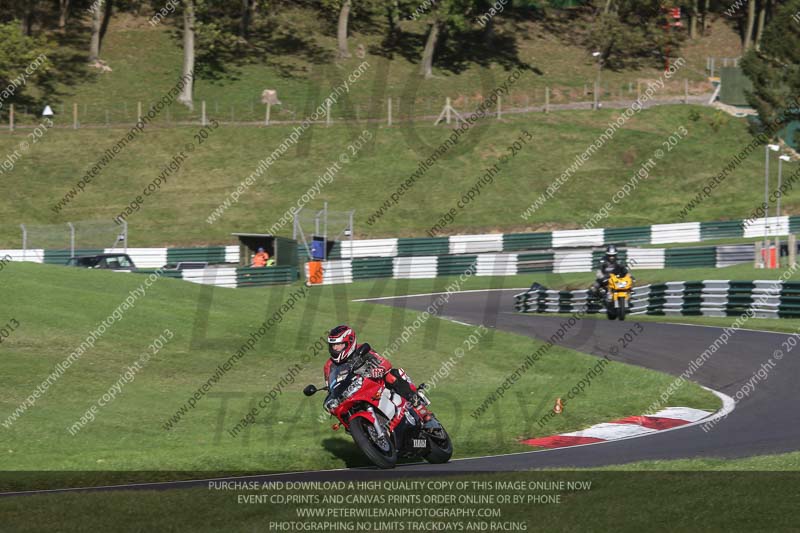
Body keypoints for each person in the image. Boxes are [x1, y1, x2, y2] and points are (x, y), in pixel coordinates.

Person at [323, 325, 433, 421]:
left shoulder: (362, 350)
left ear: (350, 342)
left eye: (339, 345)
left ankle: (422, 410)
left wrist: (379, 370)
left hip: (375, 385)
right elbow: (331, 389)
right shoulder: (328, 366)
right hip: (352, 394)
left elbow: (385, 363)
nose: (335, 348)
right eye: (333, 346)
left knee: (393, 375)